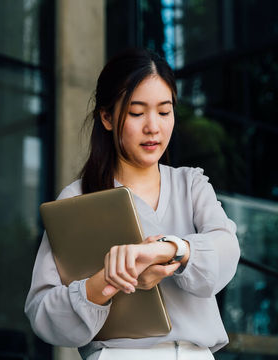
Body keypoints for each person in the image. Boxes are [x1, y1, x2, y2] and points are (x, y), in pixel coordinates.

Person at [24, 48, 241, 360]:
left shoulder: (190, 183)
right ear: (107, 117)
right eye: (137, 113)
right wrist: (107, 282)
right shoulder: (78, 199)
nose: (153, 127)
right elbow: (42, 312)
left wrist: (167, 249)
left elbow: (226, 250)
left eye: (164, 112)